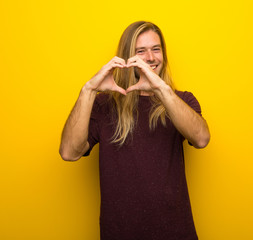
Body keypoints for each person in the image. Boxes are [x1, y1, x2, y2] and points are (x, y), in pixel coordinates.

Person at [59, 21, 210, 240]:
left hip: (175, 232)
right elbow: (69, 152)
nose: (150, 57)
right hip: (120, 233)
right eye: (141, 51)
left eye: (156, 49)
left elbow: (201, 138)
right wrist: (88, 90)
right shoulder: (103, 105)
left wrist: (160, 88)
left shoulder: (182, 100)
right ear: (127, 58)